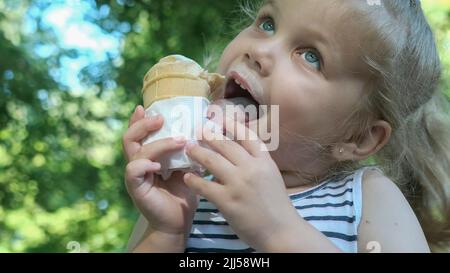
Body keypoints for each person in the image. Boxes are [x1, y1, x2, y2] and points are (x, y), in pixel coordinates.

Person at [122, 0, 450, 252]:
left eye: (311, 56)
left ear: (358, 136)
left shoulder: (366, 198)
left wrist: (277, 231)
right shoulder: (189, 189)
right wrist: (167, 231)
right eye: (267, 23)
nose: (259, 50)